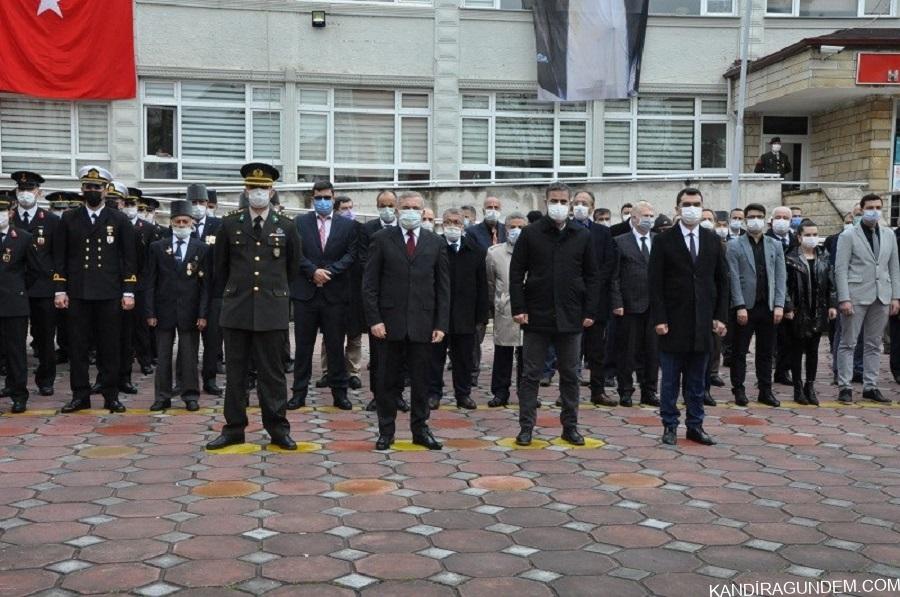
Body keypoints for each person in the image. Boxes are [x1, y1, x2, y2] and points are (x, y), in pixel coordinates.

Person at [206, 162, 302, 451]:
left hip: (271, 310)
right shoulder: (230, 223)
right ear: (245, 191)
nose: (257, 193)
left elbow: (293, 268)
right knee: (236, 374)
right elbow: (219, 268)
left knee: (272, 374)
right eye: (252, 188)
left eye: (263, 188)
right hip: (237, 309)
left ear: (272, 191)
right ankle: (233, 428)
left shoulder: (286, 225)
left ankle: (278, 429)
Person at [509, 182, 600, 447]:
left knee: (571, 374)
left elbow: (593, 276)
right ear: (545, 201)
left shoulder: (581, 235)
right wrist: (519, 308)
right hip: (536, 315)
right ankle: (526, 427)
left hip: (571, 315)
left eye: (563, 201)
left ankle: (570, 427)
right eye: (554, 200)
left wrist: (590, 310)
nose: (558, 205)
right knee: (531, 374)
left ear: (570, 203)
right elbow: (516, 273)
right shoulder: (530, 233)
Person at [363, 191, 450, 451]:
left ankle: (420, 429)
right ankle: (386, 431)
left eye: (416, 208)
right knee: (387, 381)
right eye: (406, 207)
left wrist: (441, 324)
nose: (410, 212)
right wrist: (374, 320)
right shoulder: (380, 240)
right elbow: (369, 285)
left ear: (423, 211)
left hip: (423, 325)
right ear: (398, 211)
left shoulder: (435, 242)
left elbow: (443, 288)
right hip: (388, 325)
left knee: (422, 382)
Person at [649, 188, 728, 446]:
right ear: (677, 208)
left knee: (697, 381)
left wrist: (720, 317)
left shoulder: (712, 240)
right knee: (670, 380)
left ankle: (696, 425)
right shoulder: (663, 240)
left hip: (703, 323)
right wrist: (659, 319)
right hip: (673, 323)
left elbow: (722, 281)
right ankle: (669, 425)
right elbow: (655, 284)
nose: (691, 209)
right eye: (686, 204)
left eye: (696, 204)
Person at [54, 166, 136, 413]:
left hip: (109, 293)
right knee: (77, 347)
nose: (92, 191)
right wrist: (60, 289)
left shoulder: (119, 219)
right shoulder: (69, 218)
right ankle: (80, 395)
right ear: (82, 189)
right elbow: (61, 257)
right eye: (87, 187)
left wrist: (128, 291)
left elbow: (128, 258)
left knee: (109, 347)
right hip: (78, 293)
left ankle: (111, 395)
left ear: (105, 190)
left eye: (97, 187)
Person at [289, 181, 356, 410]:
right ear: (312, 198)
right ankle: (299, 393)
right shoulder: (299, 223)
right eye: (318, 197)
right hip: (305, 295)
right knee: (303, 347)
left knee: (336, 346)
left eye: (327, 197)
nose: (323, 201)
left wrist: (329, 272)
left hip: (335, 295)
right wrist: (312, 271)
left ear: (334, 197)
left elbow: (351, 255)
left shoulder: (347, 226)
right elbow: (295, 252)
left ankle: (340, 393)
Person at [834, 194, 900, 404]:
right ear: (861, 209)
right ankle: (845, 386)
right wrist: (844, 298)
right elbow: (840, 269)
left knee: (874, 344)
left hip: (882, 296)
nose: (874, 210)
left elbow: (894, 268)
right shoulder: (849, 235)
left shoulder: (889, 234)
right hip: (855, 296)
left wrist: (895, 297)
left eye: (878, 207)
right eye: (870, 207)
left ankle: (871, 386)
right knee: (848, 342)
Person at [145, 200, 209, 412]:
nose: (181, 225)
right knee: (163, 356)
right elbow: (150, 282)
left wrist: (202, 314)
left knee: (189, 355)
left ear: (192, 223)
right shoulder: (157, 247)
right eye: (177, 221)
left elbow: (205, 286)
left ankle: (190, 395)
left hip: (190, 311)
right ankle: (162, 396)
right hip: (164, 310)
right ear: (171, 222)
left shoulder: (201, 248)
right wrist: (151, 312)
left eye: (185, 221)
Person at [726, 203, 787, 407]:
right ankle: (739, 389)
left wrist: (779, 304)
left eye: (759, 216)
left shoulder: (774, 245)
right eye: (751, 216)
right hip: (746, 306)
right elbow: (733, 277)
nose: (755, 220)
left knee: (766, 351)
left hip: (767, 305)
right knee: (740, 350)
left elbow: (780, 276)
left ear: (765, 218)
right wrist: (739, 305)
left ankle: (765, 390)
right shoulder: (734, 245)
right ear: (744, 219)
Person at [427, 208, 488, 410]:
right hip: (437, 315)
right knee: (435, 358)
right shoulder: (433, 247)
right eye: (448, 221)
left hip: (465, 314)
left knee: (463, 358)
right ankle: (433, 393)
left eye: (457, 222)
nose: (452, 225)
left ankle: (463, 394)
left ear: (464, 225)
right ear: (441, 224)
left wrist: (482, 316)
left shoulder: (476, 250)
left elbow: (482, 285)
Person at [358, 190, 408, 414]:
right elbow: (363, 261)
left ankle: (397, 394)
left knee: (401, 353)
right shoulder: (368, 230)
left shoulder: (404, 230)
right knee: (379, 355)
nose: (387, 208)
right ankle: (378, 396)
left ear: (397, 206)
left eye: (391, 204)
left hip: (403, 302)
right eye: (382, 204)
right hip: (378, 301)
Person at [11, 171, 58, 397]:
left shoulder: (51, 220)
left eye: (30, 189)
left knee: (45, 337)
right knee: (12, 339)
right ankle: (13, 381)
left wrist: (59, 285)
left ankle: (46, 379)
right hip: (14, 287)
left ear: (39, 192)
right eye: (21, 189)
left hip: (43, 287)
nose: (25, 194)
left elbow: (58, 255)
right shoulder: (8, 218)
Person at [610, 200, 660, 407]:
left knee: (652, 352)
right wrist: (617, 301)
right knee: (627, 352)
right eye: (645, 215)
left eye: (651, 215)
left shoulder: (659, 241)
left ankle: (649, 391)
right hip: (629, 306)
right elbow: (614, 276)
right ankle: (626, 391)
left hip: (654, 307)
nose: (649, 219)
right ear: (634, 218)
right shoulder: (620, 241)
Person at [572, 190, 617, 406]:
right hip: (570, 300)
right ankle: (567, 393)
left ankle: (597, 391)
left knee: (596, 351)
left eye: (585, 203)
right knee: (570, 352)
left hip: (597, 300)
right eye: (577, 202)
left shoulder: (602, 232)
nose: (580, 206)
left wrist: (593, 285)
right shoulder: (565, 230)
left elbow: (609, 263)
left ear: (592, 207)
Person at [0, 194, 44, 413]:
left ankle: (19, 395)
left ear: (10, 212)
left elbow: (35, 270)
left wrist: (18, 288)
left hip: (14, 303)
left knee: (16, 352)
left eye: (2, 210)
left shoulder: (23, 237)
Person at [784, 219, 836, 405]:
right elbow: (784, 285)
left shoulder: (824, 256)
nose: (812, 238)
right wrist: (788, 307)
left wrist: (832, 304)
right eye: (807, 235)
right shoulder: (790, 258)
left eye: (815, 235)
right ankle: (798, 387)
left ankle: (810, 385)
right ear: (799, 237)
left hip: (818, 311)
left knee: (813, 351)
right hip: (798, 312)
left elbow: (831, 283)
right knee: (797, 351)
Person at [319, 195, 364, 391]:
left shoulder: (359, 229)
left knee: (354, 334)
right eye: (344, 208)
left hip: (354, 288)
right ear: (336, 210)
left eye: (351, 208)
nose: (349, 212)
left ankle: (353, 372)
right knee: (330, 334)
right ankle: (327, 371)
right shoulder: (330, 231)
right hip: (332, 286)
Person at [486, 213, 527, 407]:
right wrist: (499, 301)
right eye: (512, 227)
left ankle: (526, 392)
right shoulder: (494, 253)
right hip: (505, 310)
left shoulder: (534, 251)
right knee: (503, 353)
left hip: (529, 310)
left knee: (528, 355)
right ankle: (500, 392)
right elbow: (491, 282)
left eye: (520, 226)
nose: (516, 231)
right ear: (505, 229)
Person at [186, 185, 224, 396]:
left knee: (212, 340)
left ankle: (209, 379)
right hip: (189, 291)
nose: (198, 207)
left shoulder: (218, 225)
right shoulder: (181, 224)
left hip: (214, 290)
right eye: (194, 203)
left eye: (202, 203)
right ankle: (185, 380)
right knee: (187, 340)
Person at [464, 195, 505, 388]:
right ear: (483, 210)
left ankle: (502, 376)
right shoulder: (473, 232)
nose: (493, 209)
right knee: (476, 334)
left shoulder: (507, 230)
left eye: (496, 206)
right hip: (481, 289)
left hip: (503, 290)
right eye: (489, 206)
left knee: (505, 335)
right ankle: (472, 372)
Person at [767, 206, 798, 386]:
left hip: (794, 294)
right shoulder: (766, 240)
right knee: (772, 339)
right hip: (773, 295)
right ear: (771, 221)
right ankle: (766, 374)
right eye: (778, 217)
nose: (781, 220)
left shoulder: (796, 240)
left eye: (785, 217)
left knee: (790, 338)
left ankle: (783, 371)